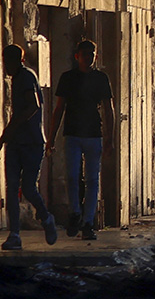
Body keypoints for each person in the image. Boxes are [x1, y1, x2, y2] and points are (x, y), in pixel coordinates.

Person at [46, 39, 114, 241]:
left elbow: (108, 109)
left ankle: (88, 222)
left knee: (93, 179)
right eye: (85, 54)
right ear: (77, 57)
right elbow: (59, 109)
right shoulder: (68, 78)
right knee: (72, 176)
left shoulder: (101, 78)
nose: (89, 57)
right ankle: (75, 212)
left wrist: (109, 137)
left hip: (94, 134)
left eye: (92, 54)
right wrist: (51, 137)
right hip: (73, 133)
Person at [1, 45, 57, 250]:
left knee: (28, 187)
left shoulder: (25, 77)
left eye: (8, 61)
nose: (5, 66)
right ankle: (14, 234)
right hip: (16, 142)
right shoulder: (17, 78)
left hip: (31, 142)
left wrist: (10, 128)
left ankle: (46, 217)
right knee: (12, 187)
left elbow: (32, 105)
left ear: (17, 60)